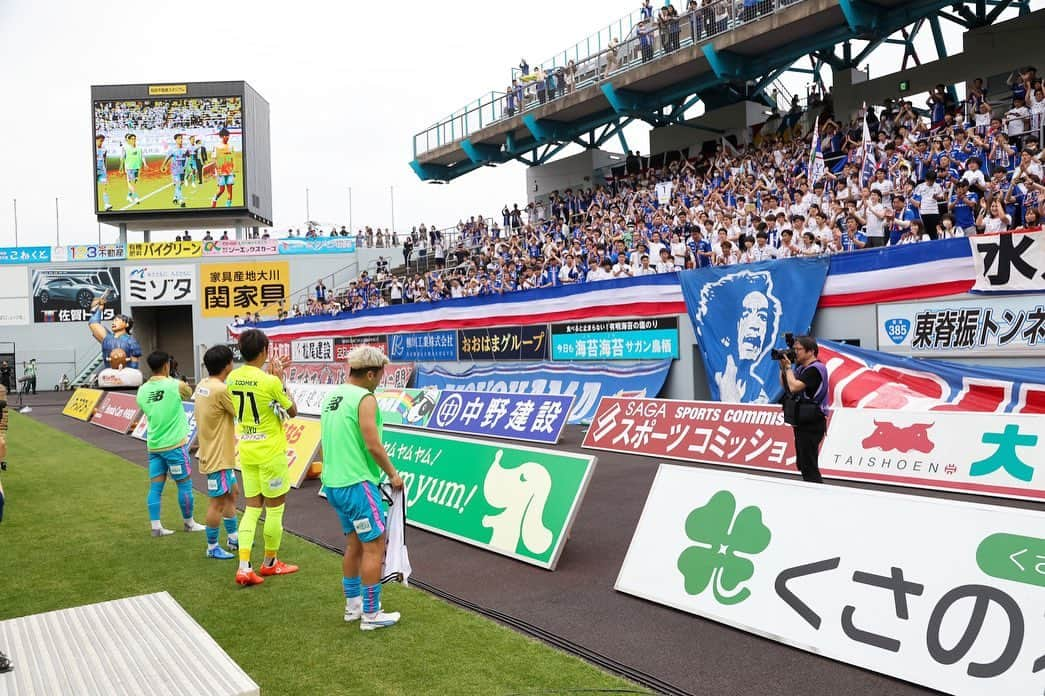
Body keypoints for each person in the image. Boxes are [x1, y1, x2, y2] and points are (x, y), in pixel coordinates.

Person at [320, 346, 403, 630]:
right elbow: (372, 444)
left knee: (354, 543)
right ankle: (371, 613)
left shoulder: (333, 395)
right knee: (374, 545)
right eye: (380, 374)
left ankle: (352, 606)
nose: (381, 380)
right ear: (370, 373)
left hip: (333, 483)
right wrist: (392, 473)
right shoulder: (365, 398)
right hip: (357, 483)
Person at [226, 329, 299, 586]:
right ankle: (269, 562)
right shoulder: (270, 382)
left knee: (252, 507)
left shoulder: (233, 377)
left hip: (246, 450)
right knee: (275, 509)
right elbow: (292, 410)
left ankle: (244, 565)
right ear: (265, 351)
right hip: (270, 452)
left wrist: (272, 378)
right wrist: (281, 379)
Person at [135, 351, 204, 536]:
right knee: (184, 485)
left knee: (156, 487)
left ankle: (156, 527)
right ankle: (189, 523)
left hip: (154, 445)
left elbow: (144, 406)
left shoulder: (142, 390)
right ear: (167, 365)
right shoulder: (175, 385)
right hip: (174, 445)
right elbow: (189, 393)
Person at [193, 345, 240, 560]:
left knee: (232, 492)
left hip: (215, 452)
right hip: (218, 456)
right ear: (227, 365)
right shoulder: (221, 390)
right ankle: (212, 547)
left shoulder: (204, 384)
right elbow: (241, 411)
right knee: (218, 503)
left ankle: (233, 537)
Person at [778, 336, 829, 484]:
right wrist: (783, 367)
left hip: (813, 422)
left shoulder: (816, 369)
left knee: (809, 464)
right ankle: (811, 491)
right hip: (802, 420)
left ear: (811, 351)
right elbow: (786, 385)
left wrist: (788, 368)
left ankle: (818, 494)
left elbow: (794, 387)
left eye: (798, 349)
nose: (795, 352)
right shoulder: (802, 369)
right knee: (803, 463)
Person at [159, 133, 190, 207]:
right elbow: (167, 158)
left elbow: (188, 157)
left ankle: (175, 197)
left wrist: (188, 166)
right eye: (179, 138)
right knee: (178, 185)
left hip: (182, 170)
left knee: (180, 184)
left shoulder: (185, 149)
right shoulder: (172, 150)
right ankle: (181, 200)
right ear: (175, 140)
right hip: (175, 170)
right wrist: (163, 165)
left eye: (181, 138)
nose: (181, 140)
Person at [211, 128, 237, 208]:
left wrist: (233, 170)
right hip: (220, 172)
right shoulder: (217, 147)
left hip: (229, 172)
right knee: (221, 190)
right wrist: (215, 171)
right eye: (225, 135)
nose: (227, 137)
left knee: (230, 191)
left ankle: (228, 206)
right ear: (221, 137)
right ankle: (214, 199)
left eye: (228, 135)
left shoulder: (231, 146)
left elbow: (232, 158)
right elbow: (214, 159)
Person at [119, 133, 145, 205]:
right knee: (132, 183)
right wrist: (121, 167)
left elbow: (140, 156)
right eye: (132, 139)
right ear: (128, 140)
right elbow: (122, 158)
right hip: (129, 168)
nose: (134, 140)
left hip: (136, 167)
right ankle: (136, 197)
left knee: (134, 182)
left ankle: (128, 196)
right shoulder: (125, 147)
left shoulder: (138, 148)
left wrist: (143, 164)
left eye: (134, 139)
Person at [96, 134, 112, 211]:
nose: (101, 143)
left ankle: (106, 204)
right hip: (94, 172)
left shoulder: (104, 149)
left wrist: (105, 170)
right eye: (100, 141)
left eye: (102, 141)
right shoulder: (92, 149)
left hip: (102, 171)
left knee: (104, 187)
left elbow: (105, 160)